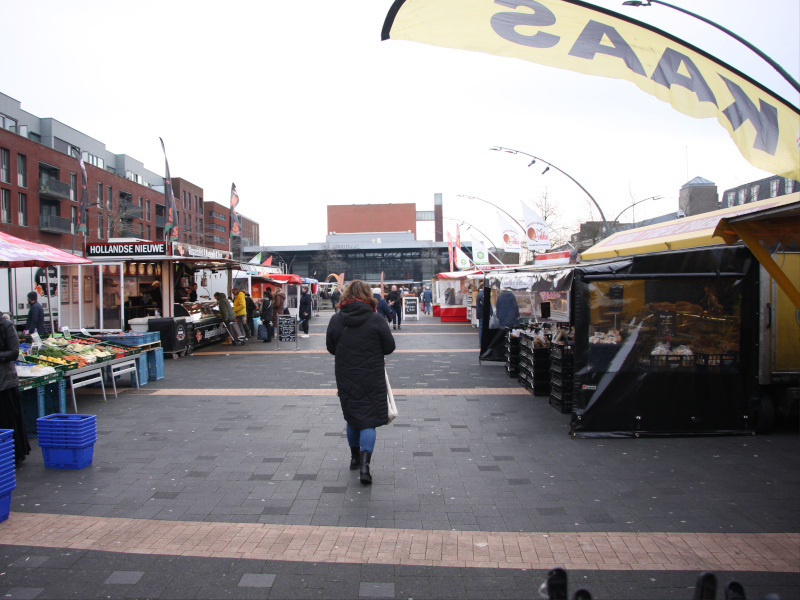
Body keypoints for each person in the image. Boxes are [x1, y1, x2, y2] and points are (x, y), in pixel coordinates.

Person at [326, 280, 395, 485]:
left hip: (346, 374)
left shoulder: (336, 319)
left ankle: (354, 458)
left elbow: (331, 348)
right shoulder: (376, 319)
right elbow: (389, 347)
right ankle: (365, 465)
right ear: (368, 295)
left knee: (352, 416)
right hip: (371, 375)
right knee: (368, 419)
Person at [0, 315, 30, 464]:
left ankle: (14, 455)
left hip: (4, 383)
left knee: (7, 420)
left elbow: (14, 352)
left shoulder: (6, 325)